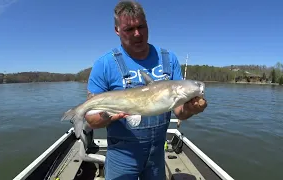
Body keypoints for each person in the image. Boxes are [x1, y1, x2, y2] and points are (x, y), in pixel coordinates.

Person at [85, 1, 207, 179]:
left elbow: (180, 112)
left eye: (141, 26)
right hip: (121, 156)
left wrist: (192, 109)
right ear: (117, 30)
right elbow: (91, 120)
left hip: (157, 152)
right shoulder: (104, 64)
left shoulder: (169, 59)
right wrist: (107, 116)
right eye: (129, 29)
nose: (137, 34)